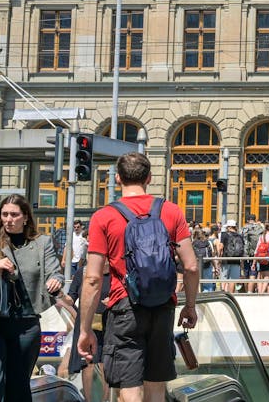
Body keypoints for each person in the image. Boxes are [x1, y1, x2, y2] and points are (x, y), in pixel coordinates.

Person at [77, 151, 200, 402]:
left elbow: (92, 279)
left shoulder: (104, 216)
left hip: (124, 308)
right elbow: (191, 267)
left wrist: (85, 329)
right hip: (163, 305)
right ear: (150, 178)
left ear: (118, 179)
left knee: (129, 387)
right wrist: (189, 306)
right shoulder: (171, 211)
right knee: (156, 387)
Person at [0, 193, 65, 402]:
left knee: (18, 384)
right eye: (4, 214)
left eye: (14, 215)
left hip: (26, 323)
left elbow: (55, 271)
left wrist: (56, 280)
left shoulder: (42, 243)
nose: (8, 219)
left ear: (25, 217)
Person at [64, 260, 112, 401]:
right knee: (87, 363)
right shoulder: (82, 273)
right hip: (85, 323)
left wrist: (113, 300)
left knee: (105, 363)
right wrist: (58, 294)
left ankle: (104, 401)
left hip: (108, 321)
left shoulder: (115, 273)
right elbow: (70, 298)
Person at [254, 222, 269, 294]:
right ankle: (262, 292)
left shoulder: (261, 237)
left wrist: (254, 262)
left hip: (260, 258)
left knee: (260, 276)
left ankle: (259, 292)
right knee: (267, 276)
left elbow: (256, 250)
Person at [220, 219, 244, 293]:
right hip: (236, 260)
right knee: (232, 280)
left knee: (224, 278)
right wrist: (242, 262)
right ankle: (231, 295)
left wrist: (219, 257)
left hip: (226, 260)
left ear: (229, 227)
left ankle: (223, 294)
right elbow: (242, 250)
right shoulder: (240, 236)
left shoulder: (224, 234)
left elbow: (221, 247)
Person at [242, 214, 264, 281]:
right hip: (257, 253)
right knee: (255, 271)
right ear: (255, 219)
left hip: (246, 253)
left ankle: (248, 289)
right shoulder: (260, 227)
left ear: (248, 220)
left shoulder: (244, 228)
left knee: (246, 272)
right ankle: (254, 289)